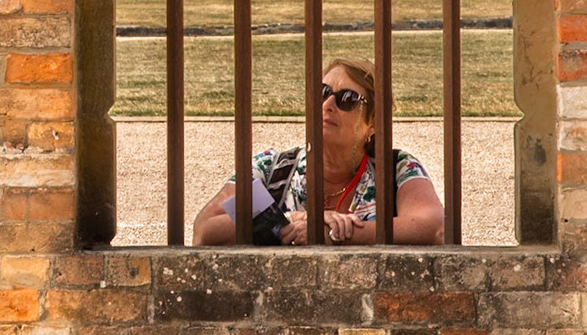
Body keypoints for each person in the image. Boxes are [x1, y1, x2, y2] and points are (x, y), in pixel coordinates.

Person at [191, 58, 445, 246]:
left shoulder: (395, 169)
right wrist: (289, 220)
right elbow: (205, 230)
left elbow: (433, 228)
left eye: (347, 99)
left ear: (374, 122)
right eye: (323, 93)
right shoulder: (273, 170)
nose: (328, 104)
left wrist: (333, 234)